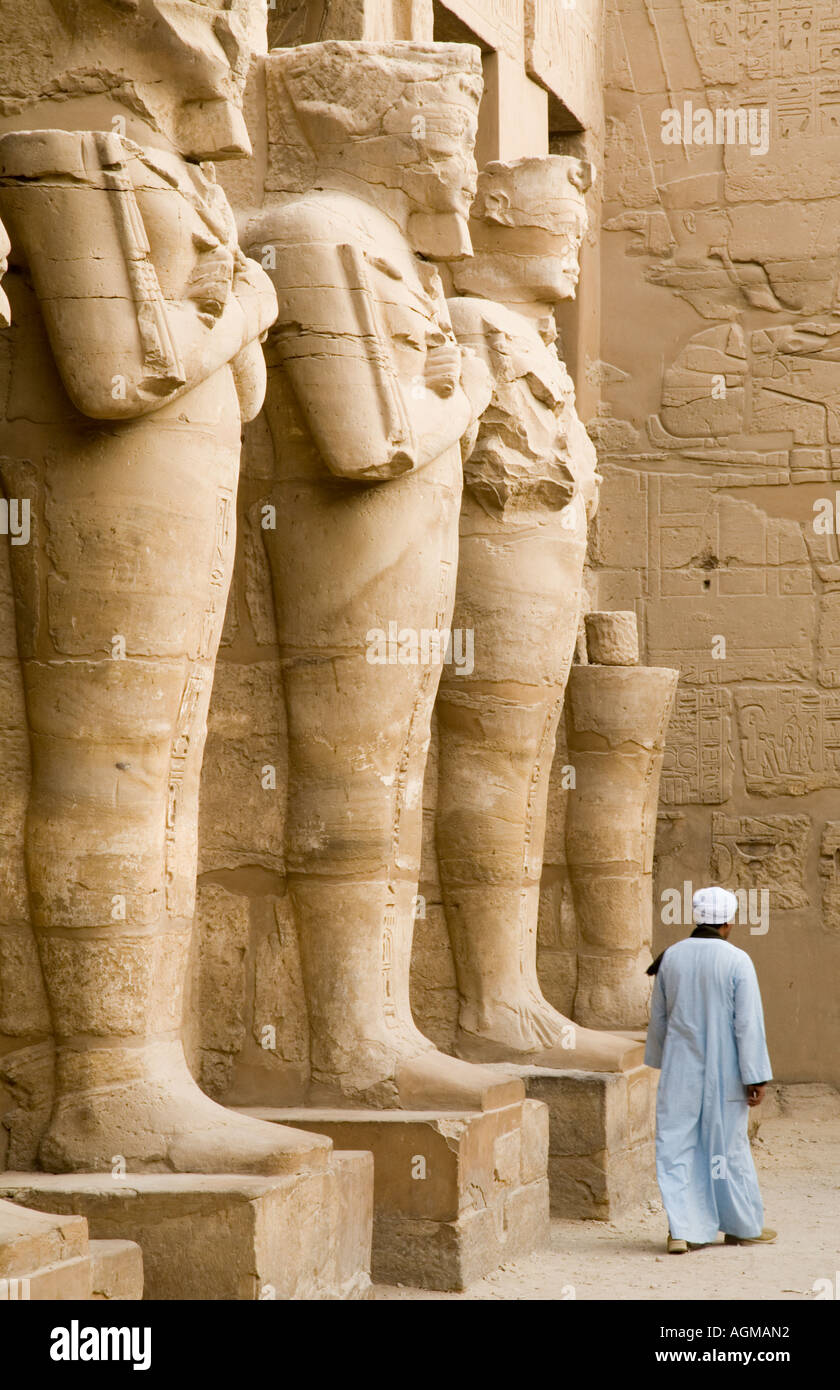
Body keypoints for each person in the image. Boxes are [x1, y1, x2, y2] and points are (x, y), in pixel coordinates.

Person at [644, 885, 775, 1254]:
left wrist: (657, 1061)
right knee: (727, 1148)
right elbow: (748, 1024)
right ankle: (740, 1226)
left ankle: (681, 1231)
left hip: (680, 1070)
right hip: (726, 1073)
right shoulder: (737, 960)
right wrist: (756, 1076)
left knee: (677, 1145)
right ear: (728, 922)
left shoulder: (671, 957)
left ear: (697, 917)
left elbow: (659, 1019)